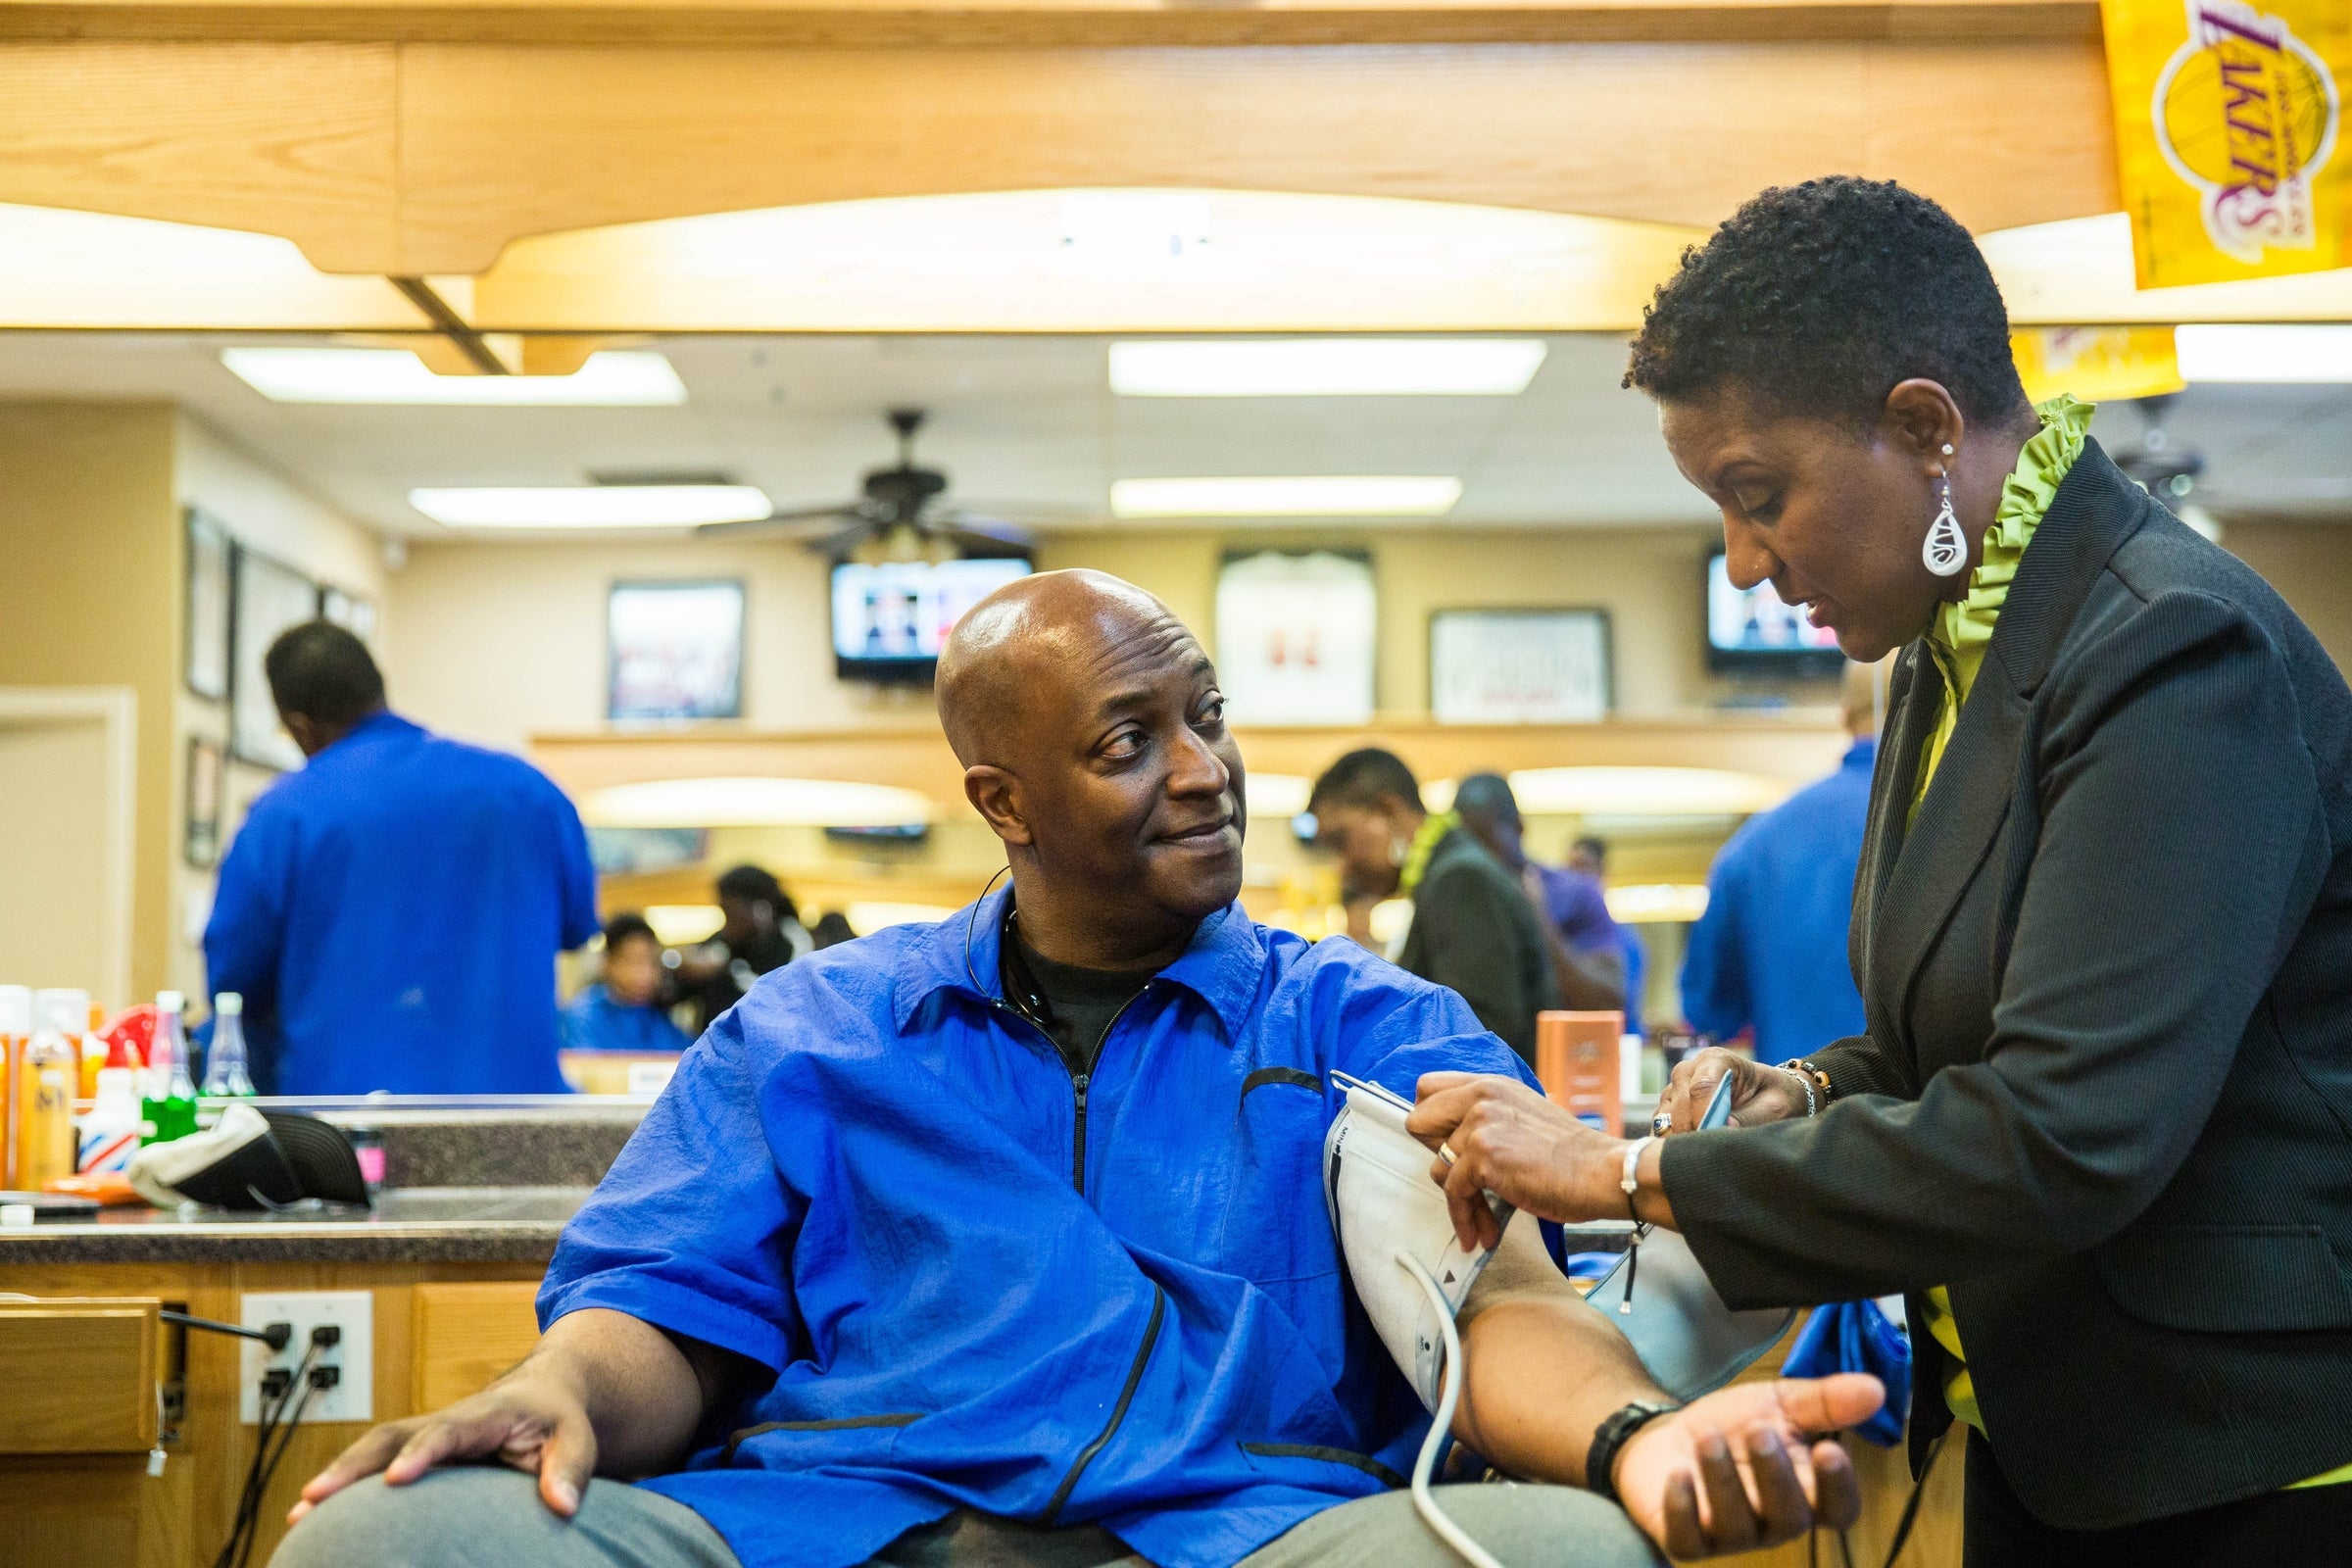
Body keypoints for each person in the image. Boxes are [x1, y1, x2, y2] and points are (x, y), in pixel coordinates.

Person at [275, 570, 1879, 1568]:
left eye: (1210, 717)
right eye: (1130, 744)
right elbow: (666, 1319)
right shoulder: (816, 1032)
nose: (1207, 774)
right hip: (848, 1515)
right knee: (399, 1542)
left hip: (1265, 1522)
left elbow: (1507, 1304)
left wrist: (1630, 1440)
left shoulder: (1364, 1024)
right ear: (1005, 799)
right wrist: (544, 1393)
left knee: (1564, 1557)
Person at [1405, 176, 2352, 1566]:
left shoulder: (2171, 649)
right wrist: (1810, 1090)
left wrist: (1621, 1171)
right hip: (2065, 1435)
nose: (1741, 562)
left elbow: (2070, 1132)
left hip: (2245, 1463)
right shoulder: (1957, 645)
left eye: (1756, 493)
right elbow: (1956, 1037)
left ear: (1924, 428)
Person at [205, 621, 599, 1095]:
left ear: (299, 725)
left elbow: (232, 982)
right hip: (515, 1122)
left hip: (346, 1129)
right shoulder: (530, 791)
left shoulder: (285, 813)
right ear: (377, 691)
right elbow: (577, 931)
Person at [1678, 661, 1879, 1064]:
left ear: (1843, 714)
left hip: (1799, 1114)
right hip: (1938, 1118)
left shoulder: (1752, 846)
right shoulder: (1971, 820)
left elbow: (1708, 1012)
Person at [1305, 750, 1561, 1061]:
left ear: (1388, 810)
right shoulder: (1448, 871)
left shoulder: (1460, 878)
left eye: (1340, 841)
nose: (1341, 868)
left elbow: (1478, 1034)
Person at [1451, 774, 1629, 1013]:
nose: (1479, 861)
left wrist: (1536, 916)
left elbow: (1606, 1004)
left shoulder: (1579, 895)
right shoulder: (1458, 904)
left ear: (1518, 828)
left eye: (1487, 844)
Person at [673, 864, 811, 1032]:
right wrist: (684, 971)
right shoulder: (719, 943)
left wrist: (726, 969)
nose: (726, 924)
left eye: (730, 912)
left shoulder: (796, 945)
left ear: (760, 909)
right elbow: (675, 993)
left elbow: (788, 1000)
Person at [564, 914, 693, 1056]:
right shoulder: (581, 1017)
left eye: (652, 962)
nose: (646, 972)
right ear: (608, 962)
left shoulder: (660, 1021)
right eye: (634, 961)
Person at [1567, 837, 1645, 1036]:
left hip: (1617, 1040)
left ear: (1603, 874)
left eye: (1583, 867)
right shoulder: (1562, 936)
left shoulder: (1625, 941)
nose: (1575, 878)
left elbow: (1620, 1004)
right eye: (1570, 869)